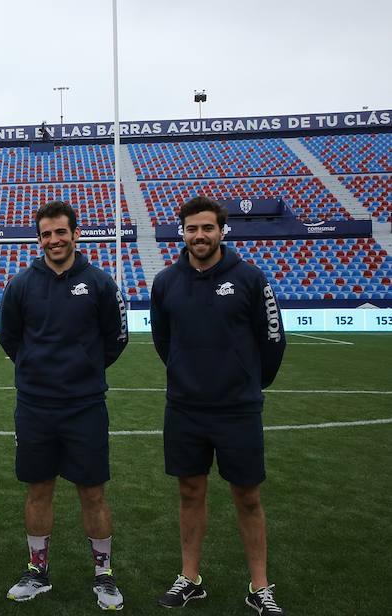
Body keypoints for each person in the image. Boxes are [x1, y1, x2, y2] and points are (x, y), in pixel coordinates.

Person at [149, 196, 287, 615]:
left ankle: (259, 587)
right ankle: (190, 579)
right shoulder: (166, 281)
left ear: (221, 230)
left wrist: (249, 382)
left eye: (207, 228)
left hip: (237, 409)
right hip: (185, 408)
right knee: (190, 493)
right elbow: (162, 340)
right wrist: (185, 375)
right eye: (192, 229)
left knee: (247, 497)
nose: (199, 236)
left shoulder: (249, 277)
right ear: (183, 232)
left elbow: (273, 338)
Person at [0, 200, 129, 610]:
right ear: (39, 239)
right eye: (46, 234)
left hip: (84, 406)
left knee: (92, 492)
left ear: (75, 234)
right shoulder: (21, 284)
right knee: (38, 490)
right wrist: (37, 371)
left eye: (60, 232)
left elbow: (116, 338)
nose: (53, 240)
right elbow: (10, 338)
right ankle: (37, 571)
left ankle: (103, 575)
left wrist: (84, 370)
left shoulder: (100, 283)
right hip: (35, 407)